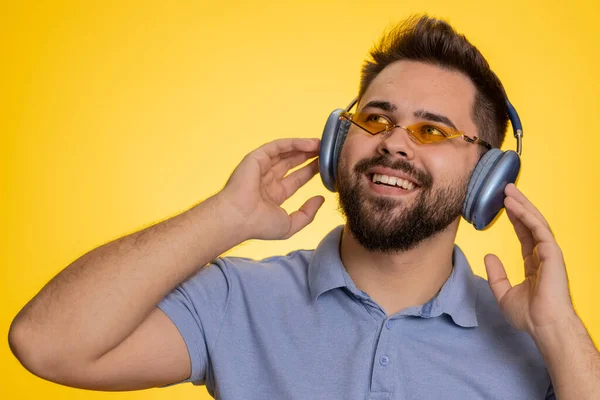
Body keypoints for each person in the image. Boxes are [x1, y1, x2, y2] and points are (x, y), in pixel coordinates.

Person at [8, 15, 599, 400]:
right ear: (341, 141)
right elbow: (45, 344)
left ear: (487, 176)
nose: (394, 141)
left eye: (433, 131)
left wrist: (559, 329)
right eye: (376, 119)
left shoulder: (537, 341)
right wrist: (223, 218)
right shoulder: (239, 300)